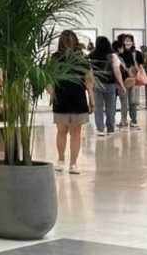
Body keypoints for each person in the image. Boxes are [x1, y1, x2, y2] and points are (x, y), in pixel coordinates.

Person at [49, 30, 93, 173]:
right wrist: (52, 93)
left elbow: (88, 80)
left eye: (70, 40)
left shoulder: (81, 58)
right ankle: (62, 160)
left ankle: (72, 163)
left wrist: (91, 98)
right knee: (63, 131)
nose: (69, 43)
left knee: (74, 132)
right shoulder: (56, 58)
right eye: (66, 40)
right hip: (63, 99)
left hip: (76, 98)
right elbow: (49, 78)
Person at [89, 36, 125, 136]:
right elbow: (117, 71)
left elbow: (90, 72)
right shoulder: (113, 56)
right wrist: (122, 85)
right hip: (110, 84)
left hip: (97, 84)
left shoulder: (91, 55)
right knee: (111, 107)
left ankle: (100, 129)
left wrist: (91, 84)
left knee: (98, 107)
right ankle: (110, 128)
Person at [115, 33, 143, 128]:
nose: (128, 42)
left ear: (133, 42)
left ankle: (133, 121)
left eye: (130, 41)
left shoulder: (137, 53)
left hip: (133, 80)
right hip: (122, 81)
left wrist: (139, 73)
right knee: (124, 102)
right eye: (126, 41)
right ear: (123, 42)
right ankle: (123, 121)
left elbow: (141, 67)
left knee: (133, 102)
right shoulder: (120, 53)